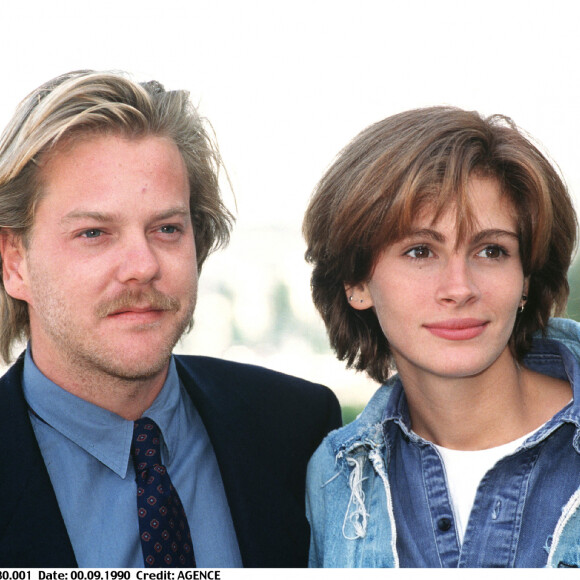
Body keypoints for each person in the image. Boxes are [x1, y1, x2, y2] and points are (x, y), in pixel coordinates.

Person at [0, 70, 341, 568]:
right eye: (94, 233)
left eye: (166, 228)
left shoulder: (295, 429)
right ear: (15, 262)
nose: (143, 265)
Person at [303, 106, 580, 568]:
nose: (460, 288)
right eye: (420, 252)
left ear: (526, 279)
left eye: (492, 251)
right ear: (356, 284)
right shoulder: (336, 477)